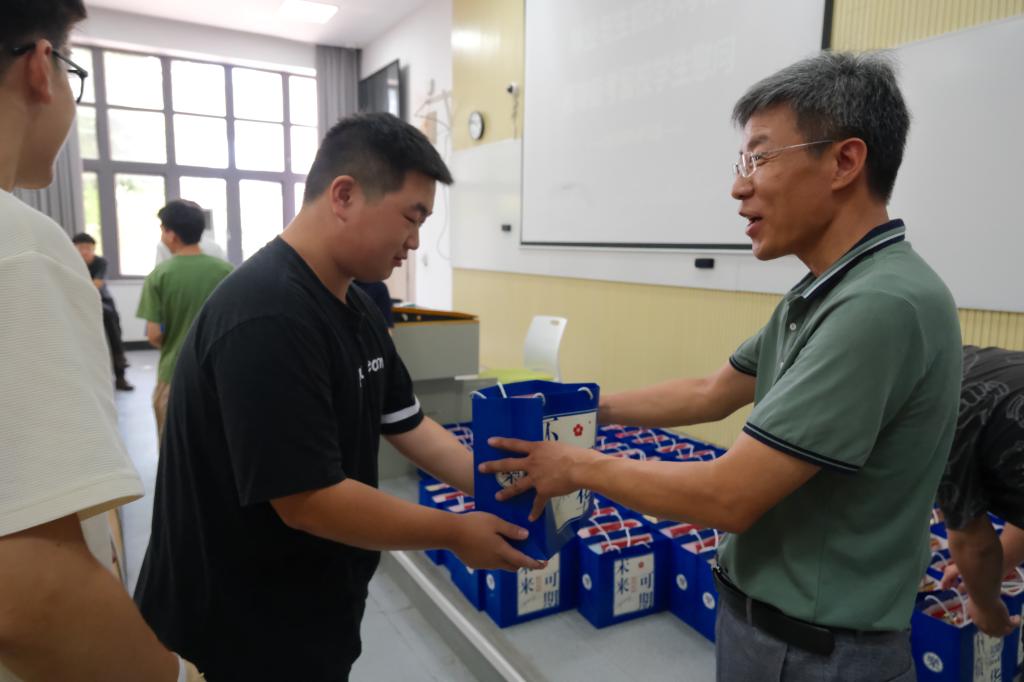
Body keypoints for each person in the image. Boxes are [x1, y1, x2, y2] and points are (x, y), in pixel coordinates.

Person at [481, 52, 962, 681]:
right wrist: (592, 408)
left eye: (760, 159)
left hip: (819, 655)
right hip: (768, 632)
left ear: (845, 162)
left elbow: (727, 496)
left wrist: (573, 465)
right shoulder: (824, 290)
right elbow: (711, 391)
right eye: (742, 164)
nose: (739, 187)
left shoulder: (881, 304)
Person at [133, 112, 541, 681]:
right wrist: (454, 532)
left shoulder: (356, 308)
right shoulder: (267, 314)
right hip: (236, 627)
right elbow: (309, 500)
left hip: (312, 605)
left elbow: (409, 424)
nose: (415, 241)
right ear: (344, 195)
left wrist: (501, 485)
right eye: (411, 217)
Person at [0, 1, 201, 679]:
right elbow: (33, 593)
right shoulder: (22, 246)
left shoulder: (156, 274)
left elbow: (153, 332)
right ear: (41, 66)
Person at [936, 345, 1024, 637]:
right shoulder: (959, 359)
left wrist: (985, 606)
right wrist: (985, 577)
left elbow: (974, 543)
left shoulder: (939, 417)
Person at [136, 199, 233, 439]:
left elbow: (154, 334)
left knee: (173, 446)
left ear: (171, 234)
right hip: (220, 374)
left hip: (174, 374)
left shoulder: (159, 276)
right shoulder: (227, 272)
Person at [71, 232, 134, 390]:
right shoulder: (69, 263)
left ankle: (120, 373)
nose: (85, 252)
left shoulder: (100, 262)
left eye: (88, 248)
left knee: (113, 326)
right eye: (80, 248)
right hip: (76, 302)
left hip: (102, 301)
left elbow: (97, 284)